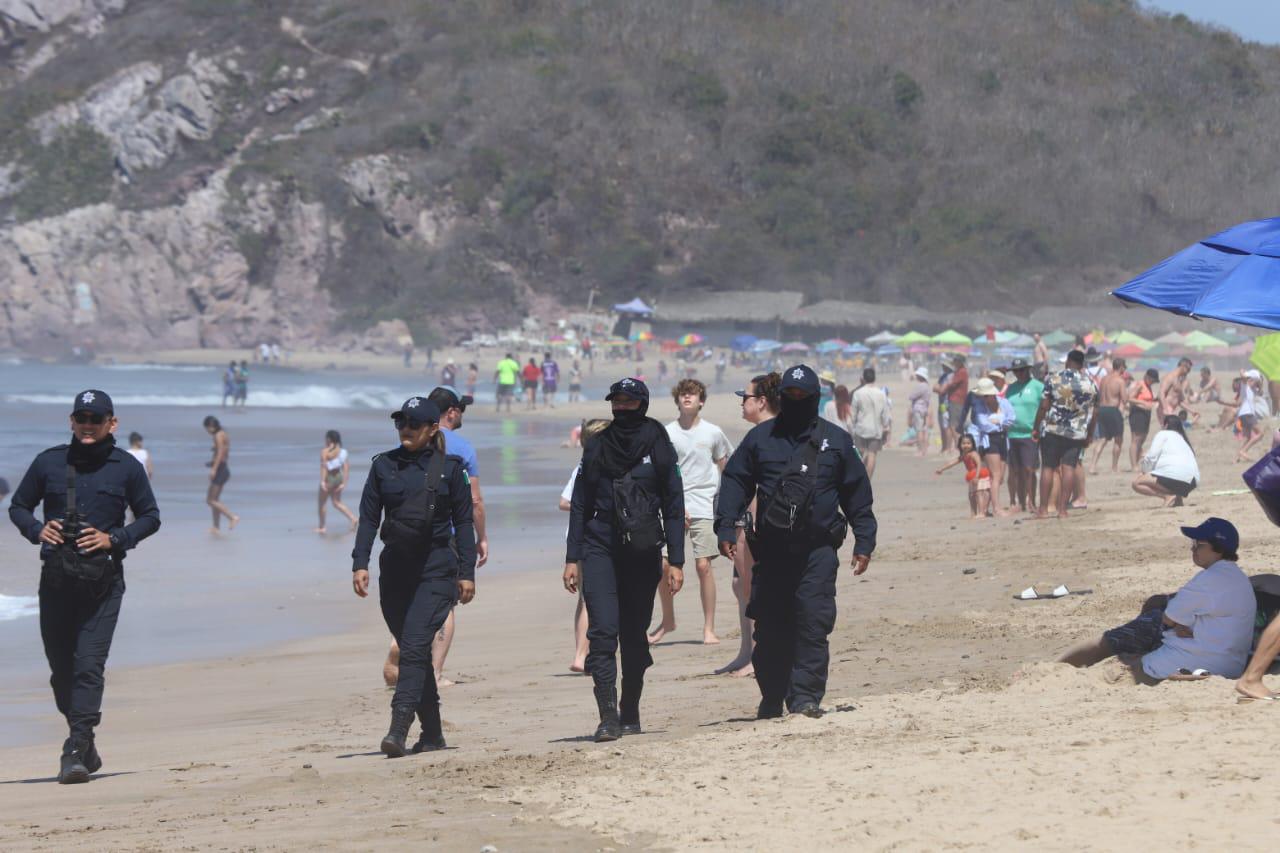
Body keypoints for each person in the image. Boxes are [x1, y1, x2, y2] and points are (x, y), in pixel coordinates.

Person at [7, 390, 160, 783]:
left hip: (103, 586)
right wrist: (37, 529)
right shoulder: (49, 463)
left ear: (112, 423)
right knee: (62, 673)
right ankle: (85, 741)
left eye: (96, 418)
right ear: (71, 421)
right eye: (82, 418)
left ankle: (75, 749)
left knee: (88, 667)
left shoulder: (126, 468)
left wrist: (115, 539)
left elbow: (150, 517)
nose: (88, 425)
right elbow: (18, 506)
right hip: (56, 582)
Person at [716, 364, 877, 718]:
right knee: (771, 629)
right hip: (771, 553)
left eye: (805, 396)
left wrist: (864, 541)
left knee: (812, 623)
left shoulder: (835, 440)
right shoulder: (760, 439)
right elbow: (735, 483)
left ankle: (805, 697)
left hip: (818, 550)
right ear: (780, 398)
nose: (798, 400)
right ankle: (773, 695)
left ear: (816, 399)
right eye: (791, 395)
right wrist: (725, 527)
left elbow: (857, 495)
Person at [351, 397, 475, 756]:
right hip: (395, 571)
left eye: (413, 423)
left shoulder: (450, 469)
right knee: (412, 650)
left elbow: (464, 523)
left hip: (437, 568)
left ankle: (398, 729)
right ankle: (433, 734)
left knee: (417, 647)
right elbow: (369, 518)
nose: (405, 429)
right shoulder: (383, 467)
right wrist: (360, 563)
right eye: (400, 423)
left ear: (432, 428)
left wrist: (466, 572)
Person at [564, 378, 685, 741]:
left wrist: (676, 560)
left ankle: (629, 708)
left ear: (643, 404)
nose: (623, 407)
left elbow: (674, 506)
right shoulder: (598, 445)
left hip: (644, 550)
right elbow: (580, 505)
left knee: (634, 635)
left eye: (630, 401)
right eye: (617, 401)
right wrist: (573, 557)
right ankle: (607, 716)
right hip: (600, 546)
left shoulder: (659, 443)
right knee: (602, 633)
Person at [1058, 518, 1255, 683]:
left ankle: (1056, 668)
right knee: (1154, 613)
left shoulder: (1209, 579)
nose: (1193, 549)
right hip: (1230, 664)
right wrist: (1178, 622)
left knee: (1117, 653)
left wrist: (1176, 623)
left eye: (1199, 545)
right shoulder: (1237, 577)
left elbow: (1169, 618)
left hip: (1196, 661)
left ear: (1218, 550)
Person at [649, 379, 733, 646]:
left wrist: (730, 506)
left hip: (705, 504)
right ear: (677, 400)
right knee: (663, 565)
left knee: (703, 566)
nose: (687, 397)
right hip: (672, 506)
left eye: (692, 394)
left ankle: (709, 628)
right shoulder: (667, 433)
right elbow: (659, 473)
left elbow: (726, 467)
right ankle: (669, 620)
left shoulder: (713, 432)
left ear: (701, 401)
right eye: (683, 394)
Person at [716, 372, 781, 677]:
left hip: (757, 525)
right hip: (747, 521)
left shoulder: (769, 435)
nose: (742, 402)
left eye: (746, 397)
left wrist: (746, 526)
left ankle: (758, 654)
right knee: (739, 585)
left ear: (762, 401)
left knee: (753, 588)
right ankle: (746, 652)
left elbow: (763, 489)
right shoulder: (759, 434)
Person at [560, 419, 612, 672]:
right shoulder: (585, 467)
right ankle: (582, 655)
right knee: (590, 598)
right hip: (585, 538)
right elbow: (565, 501)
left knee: (587, 599)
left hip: (584, 538)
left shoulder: (589, 464)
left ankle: (584, 654)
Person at [1032, 349, 1097, 519]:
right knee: (1068, 468)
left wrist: (1036, 427)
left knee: (1047, 467)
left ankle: (1043, 510)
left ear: (1068, 361)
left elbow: (1044, 405)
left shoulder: (1054, 378)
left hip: (1053, 429)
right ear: (1082, 364)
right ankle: (1062, 510)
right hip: (1076, 432)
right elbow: (1096, 411)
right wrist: (1089, 434)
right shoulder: (1089, 383)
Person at [967, 376, 1015, 516]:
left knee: (999, 477)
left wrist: (996, 423)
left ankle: (985, 508)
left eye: (985, 396)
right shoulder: (979, 406)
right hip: (989, 440)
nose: (983, 398)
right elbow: (984, 425)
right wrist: (1000, 424)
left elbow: (1012, 418)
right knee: (995, 474)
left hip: (1003, 439)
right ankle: (996, 508)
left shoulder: (1004, 402)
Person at [1133, 416, 1199, 507]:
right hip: (1193, 481)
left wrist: (1144, 471)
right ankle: (1178, 499)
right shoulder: (1182, 439)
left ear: (1166, 425)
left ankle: (1168, 496)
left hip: (1176, 477)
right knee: (1171, 471)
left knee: (1137, 483)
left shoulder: (1163, 434)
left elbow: (1151, 456)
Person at [1004, 358, 1042, 513]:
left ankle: (1032, 501)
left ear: (1028, 370)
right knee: (1016, 470)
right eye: (1016, 371)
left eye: (1021, 370)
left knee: (1029, 469)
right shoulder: (1010, 389)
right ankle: (1021, 503)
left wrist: (1039, 428)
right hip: (1012, 434)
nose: (1018, 373)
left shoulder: (1038, 387)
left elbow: (1045, 408)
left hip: (1030, 434)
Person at [936, 433, 989, 519]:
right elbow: (952, 463)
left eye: (968, 443)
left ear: (972, 444)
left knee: (979, 493)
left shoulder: (973, 454)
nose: (966, 445)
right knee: (971, 495)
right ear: (960, 445)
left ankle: (982, 512)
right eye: (963, 443)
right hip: (972, 476)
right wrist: (942, 469)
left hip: (980, 474)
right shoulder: (963, 456)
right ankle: (973, 513)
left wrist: (976, 476)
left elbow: (979, 464)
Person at [1089, 357, 1128, 475]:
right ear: (1121, 367)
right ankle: (1114, 467)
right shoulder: (1120, 380)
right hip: (1112, 410)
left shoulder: (1104, 379)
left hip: (1102, 409)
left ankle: (1092, 466)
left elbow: (1099, 395)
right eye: (1124, 367)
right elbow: (1125, 399)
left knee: (1103, 439)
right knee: (1118, 439)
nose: (1125, 370)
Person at [850, 368, 891, 478]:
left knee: (859, 454)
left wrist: (851, 427)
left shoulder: (858, 393)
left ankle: (857, 478)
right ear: (874, 378)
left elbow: (853, 413)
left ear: (863, 378)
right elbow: (885, 413)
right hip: (876, 429)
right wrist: (886, 427)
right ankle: (867, 481)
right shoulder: (881, 393)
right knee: (872, 454)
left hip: (861, 428)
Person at [202, 416, 239, 533]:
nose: (207, 431)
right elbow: (223, 451)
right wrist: (212, 463)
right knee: (215, 499)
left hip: (221, 470)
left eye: (207, 428)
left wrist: (214, 468)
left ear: (211, 427)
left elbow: (221, 453)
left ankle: (232, 517)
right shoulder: (223, 434)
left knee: (210, 500)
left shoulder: (218, 435)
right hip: (223, 468)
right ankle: (216, 527)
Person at [317, 430, 357, 534]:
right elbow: (346, 467)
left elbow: (324, 467)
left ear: (329, 439)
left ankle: (322, 527)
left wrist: (322, 481)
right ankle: (353, 518)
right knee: (336, 502)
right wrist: (344, 482)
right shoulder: (342, 451)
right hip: (338, 477)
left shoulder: (325, 451)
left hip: (329, 478)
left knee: (322, 503)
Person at [1128, 368, 1159, 471]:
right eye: (1152, 380)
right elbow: (1130, 398)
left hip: (1146, 414)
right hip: (1137, 414)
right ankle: (1133, 466)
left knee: (1142, 439)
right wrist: (1143, 403)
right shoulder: (1140, 384)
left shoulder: (1148, 386)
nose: (1153, 383)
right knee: (1135, 439)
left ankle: (1136, 463)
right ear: (1147, 377)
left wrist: (1154, 400)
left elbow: (1147, 398)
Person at [939, 356, 969, 455]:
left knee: (954, 425)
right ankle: (957, 446)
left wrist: (942, 388)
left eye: (955, 361)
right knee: (954, 424)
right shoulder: (960, 372)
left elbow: (952, 384)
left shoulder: (961, 372)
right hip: (955, 400)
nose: (954, 363)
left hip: (957, 400)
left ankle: (958, 446)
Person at [908, 367, 932, 457]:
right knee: (924, 430)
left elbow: (911, 396)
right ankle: (924, 450)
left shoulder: (921, 386)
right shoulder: (927, 386)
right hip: (924, 409)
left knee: (919, 431)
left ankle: (920, 450)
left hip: (918, 409)